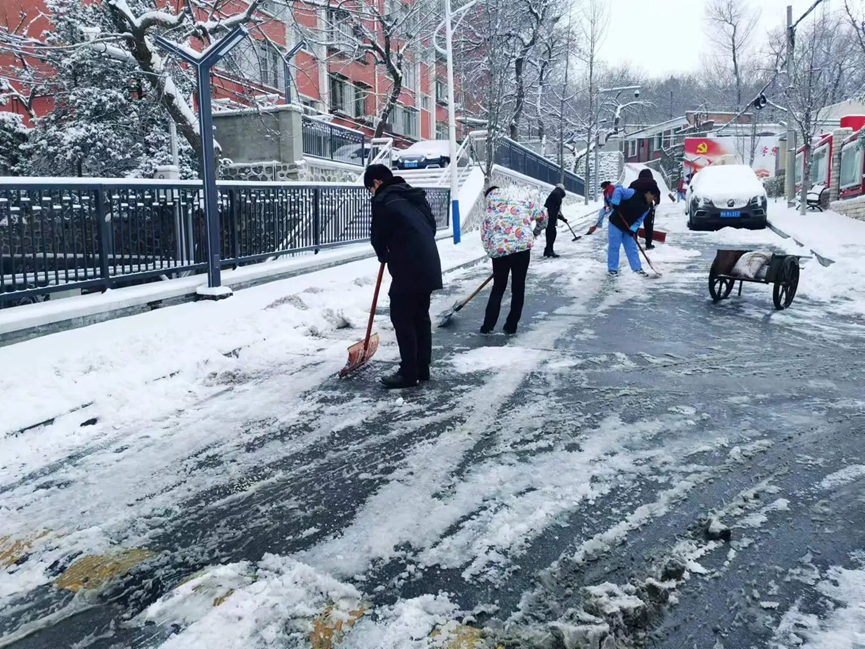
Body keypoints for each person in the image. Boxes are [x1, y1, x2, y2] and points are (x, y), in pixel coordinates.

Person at [366, 164, 443, 389]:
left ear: (377, 183)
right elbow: (431, 227)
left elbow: (378, 237)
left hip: (408, 266)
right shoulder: (413, 195)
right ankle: (422, 368)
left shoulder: (383, 200)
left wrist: (384, 254)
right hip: (428, 261)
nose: (371, 192)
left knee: (402, 317)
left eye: (370, 188)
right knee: (420, 315)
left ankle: (408, 372)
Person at [480, 186, 548, 335]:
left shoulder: (489, 213)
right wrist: (536, 231)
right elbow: (544, 214)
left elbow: (484, 238)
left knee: (498, 287)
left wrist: (492, 253)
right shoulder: (521, 203)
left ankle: (487, 326)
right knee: (518, 286)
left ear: (488, 198)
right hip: (522, 250)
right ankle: (511, 326)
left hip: (500, 253)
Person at [607, 178, 660, 277]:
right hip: (616, 223)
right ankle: (612, 269)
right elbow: (619, 190)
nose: (653, 199)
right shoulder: (632, 193)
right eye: (653, 196)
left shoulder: (647, 207)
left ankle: (637, 269)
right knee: (614, 246)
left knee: (632, 248)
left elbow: (639, 220)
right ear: (648, 193)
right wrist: (615, 202)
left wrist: (633, 229)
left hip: (628, 228)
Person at [630, 169, 661, 250]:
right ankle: (648, 244)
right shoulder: (652, 182)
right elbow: (657, 193)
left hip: (635, 207)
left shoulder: (634, 183)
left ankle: (633, 242)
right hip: (647, 206)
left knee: (635, 225)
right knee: (648, 226)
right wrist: (656, 203)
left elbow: (629, 192)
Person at [543, 183, 568, 258]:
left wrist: (562, 218)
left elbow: (553, 208)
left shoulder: (554, 193)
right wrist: (558, 217)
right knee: (552, 234)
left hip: (548, 217)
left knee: (550, 233)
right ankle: (549, 251)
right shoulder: (557, 194)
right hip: (551, 218)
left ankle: (548, 250)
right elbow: (554, 209)